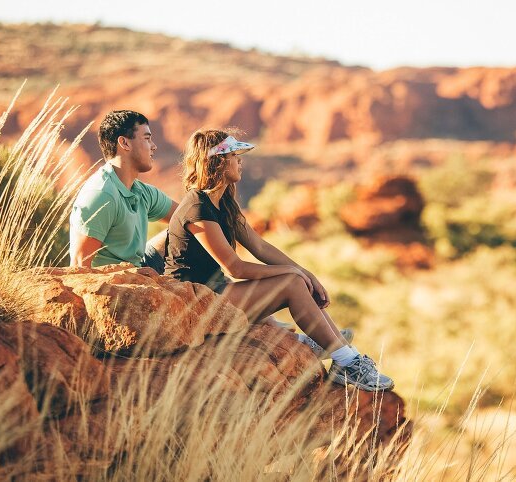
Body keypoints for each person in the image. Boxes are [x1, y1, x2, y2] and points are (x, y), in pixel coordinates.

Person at [164, 129, 394, 391]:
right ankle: (346, 361)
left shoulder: (224, 203)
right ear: (217, 161)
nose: (240, 161)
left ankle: (340, 350)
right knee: (291, 284)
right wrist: (295, 275)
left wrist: (306, 273)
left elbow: (259, 245)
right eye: (235, 155)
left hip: (216, 290)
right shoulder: (197, 207)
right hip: (194, 300)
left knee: (295, 280)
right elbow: (235, 266)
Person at [70, 110, 178, 270]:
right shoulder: (101, 195)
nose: (154, 146)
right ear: (124, 143)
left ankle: (208, 286)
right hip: (113, 286)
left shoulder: (141, 191)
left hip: (140, 270)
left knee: (192, 227)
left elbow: (188, 216)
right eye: (147, 139)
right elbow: (79, 266)